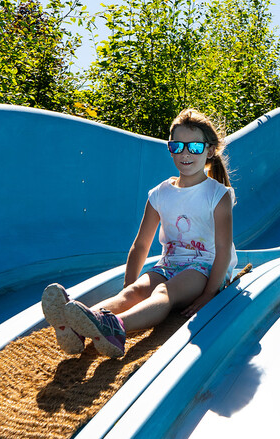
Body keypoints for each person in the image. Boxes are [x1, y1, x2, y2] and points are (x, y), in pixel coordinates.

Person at [41, 109, 237, 358]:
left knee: (163, 293)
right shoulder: (159, 194)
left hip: (204, 268)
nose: (185, 153)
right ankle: (76, 325)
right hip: (168, 264)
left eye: (195, 147)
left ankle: (117, 327)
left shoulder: (217, 195)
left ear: (209, 151)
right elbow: (141, 245)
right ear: (170, 148)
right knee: (134, 293)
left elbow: (222, 248)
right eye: (177, 146)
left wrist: (210, 292)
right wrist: (129, 286)